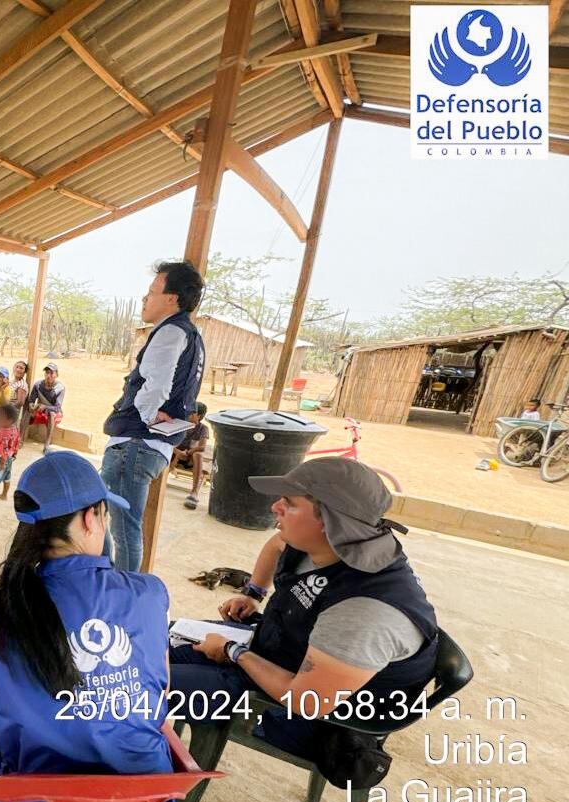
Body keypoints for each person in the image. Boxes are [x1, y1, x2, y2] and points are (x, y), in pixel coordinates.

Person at [0, 452, 176, 802]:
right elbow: (160, 692)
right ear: (90, 518)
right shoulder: (150, 594)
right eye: (105, 516)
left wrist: (8, 690)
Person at [171, 458, 439, 762]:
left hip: (309, 719)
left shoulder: (363, 613)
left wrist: (232, 651)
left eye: (289, 503)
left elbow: (306, 702)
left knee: (136, 684)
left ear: (330, 521)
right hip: (282, 655)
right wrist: (254, 593)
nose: (275, 507)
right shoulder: (333, 541)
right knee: (147, 647)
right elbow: (276, 544)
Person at [100, 260, 206, 572]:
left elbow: (156, 382)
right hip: (145, 447)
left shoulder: (171, 331)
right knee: (114, 521)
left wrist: (146, 414)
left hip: (133, 445)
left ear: (172, 299)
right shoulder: (191, 335)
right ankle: (114, 584)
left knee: (122, 529)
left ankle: (125, 597)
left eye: (151, 292)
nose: (145, 299)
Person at [172, 401, 210, 510]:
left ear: (198, 416)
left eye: (191, 412)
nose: (188, 413)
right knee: (166, 446)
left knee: (198, 455)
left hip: (189, 458)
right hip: (175, 455)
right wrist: (178, 453)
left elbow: (202, 447)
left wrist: (188, 453)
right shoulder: (180, 423)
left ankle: (194, 492)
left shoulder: (203, 429)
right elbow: (168, 442)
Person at [28, 363, 66, 455]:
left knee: (51, 413)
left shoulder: (60, 388)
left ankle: (47, 444)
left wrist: (45, 407)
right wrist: (32, 406)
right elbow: (31, 400)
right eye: (46, 373)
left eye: (51, 373)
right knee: (27, 411)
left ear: (56, 375)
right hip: (40, 411)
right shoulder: (38, 385)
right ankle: (21, 438)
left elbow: (57, 408)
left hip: (54, 414)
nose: (48, 375)